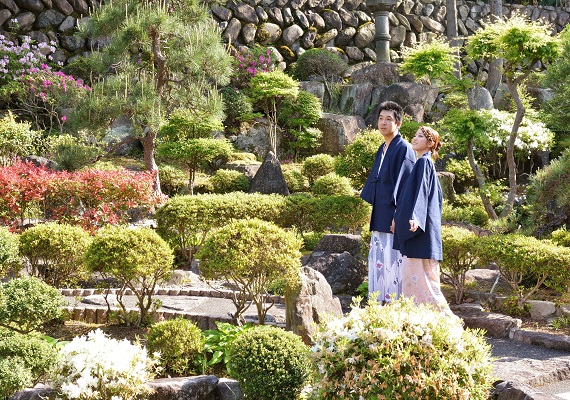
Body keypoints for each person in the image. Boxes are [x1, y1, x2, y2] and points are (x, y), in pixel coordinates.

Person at [393, 126, 452, 315]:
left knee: (424, 285)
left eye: (421, 136)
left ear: (430, 143)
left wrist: (415, 217)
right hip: (421, 234)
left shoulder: (424, 163)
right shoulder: (425, 163)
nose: (415, 138)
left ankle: (445, 324)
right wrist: (398, 218)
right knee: (424, 283)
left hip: (419, 234)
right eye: (416, 135)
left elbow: (421, 194)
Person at [360, 101, 416, 302]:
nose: (383, 123)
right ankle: (378, 305)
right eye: (381, 118)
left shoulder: (403, 148)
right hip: (380, 215)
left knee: (393, 264)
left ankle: (393, 307)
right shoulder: (383, 147)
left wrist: (398, 216)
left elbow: (407, 186)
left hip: (393, 219)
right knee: (378, 262)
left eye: (389, 119)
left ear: (398, 123)